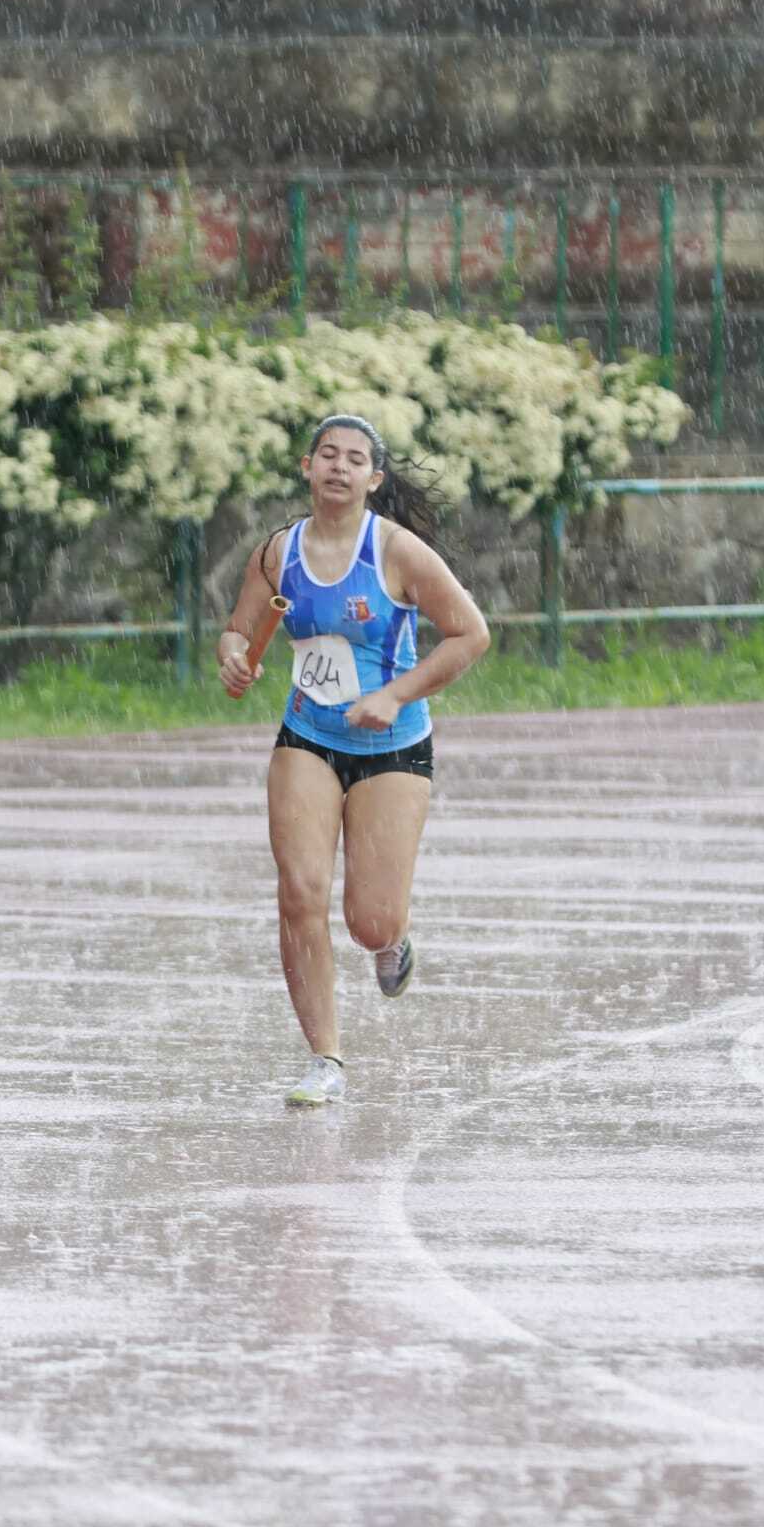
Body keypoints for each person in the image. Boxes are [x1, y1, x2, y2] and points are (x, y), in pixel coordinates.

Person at [217, 414, 490, 1105]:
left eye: (355, 459)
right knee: (299, 891)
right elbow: (241, 628)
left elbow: (470, 634)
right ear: (307, 468)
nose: (339, 466)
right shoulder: (278, 553)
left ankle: (393, 939)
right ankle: (325, 1059)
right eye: (328, 455)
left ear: (373, 478)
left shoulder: (397, 551)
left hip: (392, 748)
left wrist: (395, 695)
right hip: (307, 736)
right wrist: (234, 656)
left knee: (370, 921)